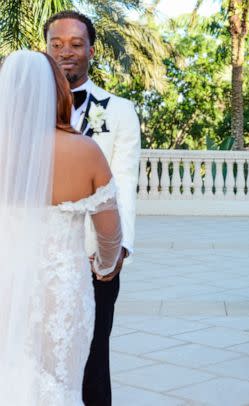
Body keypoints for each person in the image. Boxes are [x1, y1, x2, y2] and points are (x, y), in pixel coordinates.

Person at [0, 51, 123, 404]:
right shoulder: (85, 151)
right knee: (59, 384)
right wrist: (104, 265)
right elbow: (109, 233)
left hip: (6, 282)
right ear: (58, 92)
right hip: (61, 290)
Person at [44, 11, 141, 405]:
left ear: (92, 50)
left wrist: (116, 254)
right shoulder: (18, 112)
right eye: (56, 44)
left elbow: (124, 188)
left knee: (92, 358)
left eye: (76, 44)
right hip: (33, 257)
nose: (66, 52)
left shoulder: (119, 111)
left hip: (92, 260)